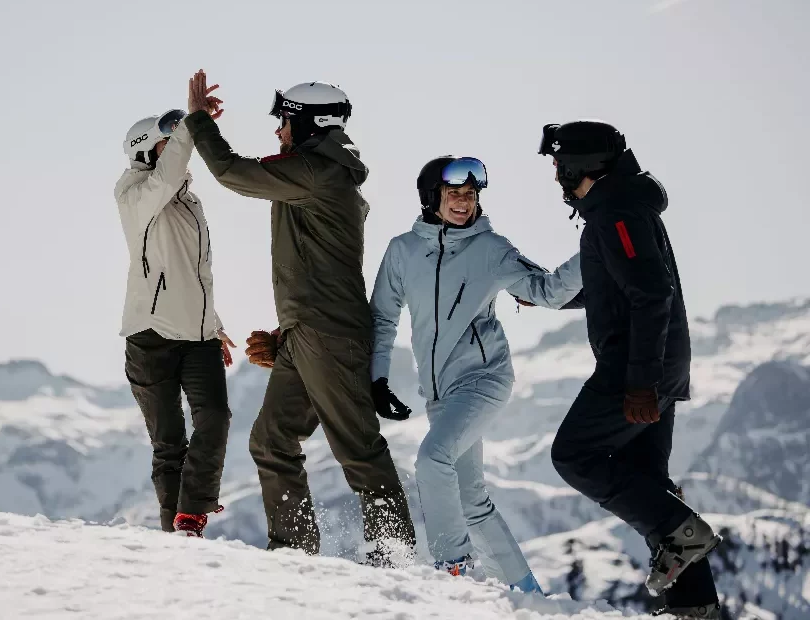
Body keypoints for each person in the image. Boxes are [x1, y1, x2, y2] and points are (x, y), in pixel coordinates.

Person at [182, 70, 416, 564]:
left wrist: (200, 121)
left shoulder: (316, 172)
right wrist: (287, 330)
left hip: (328, 333)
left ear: (310, 124)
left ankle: (393, 554)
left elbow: (229, 171)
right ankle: (293, 551)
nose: (278, 131)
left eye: (284, 121)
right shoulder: (316, 172)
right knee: (271, 440)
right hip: (309, 329)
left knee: (357, 446)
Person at [369, 155, 583, 591]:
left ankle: (453, 571)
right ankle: (527, 593)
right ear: (432, 198)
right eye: (454, 194)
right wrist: (377, 378)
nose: (464, 202)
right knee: (471, 499)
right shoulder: (402, 251)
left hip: (483, 379)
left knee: (432, 459)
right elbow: (382, 318)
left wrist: (597, 244)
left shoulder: (491, 249)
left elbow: (547, 291)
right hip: (440, 392)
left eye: (470, 195)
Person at [539, 121, 721, 618]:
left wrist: (639, 382)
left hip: (637, 366)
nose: (555, 174)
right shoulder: (618, 209)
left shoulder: (615, 213)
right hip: (656, 361)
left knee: (575, 455)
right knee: (646, 480)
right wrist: (547, 300)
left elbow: (650, 293)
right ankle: (696, 608)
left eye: (558, 164)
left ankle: (687, 537)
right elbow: (620, 284)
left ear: (581, 165)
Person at [115, 105, 236, 538]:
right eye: (168, 145)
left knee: (216, 417)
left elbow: (191, 271)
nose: (178, 155)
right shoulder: (133, 194)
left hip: (198, 334)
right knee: (169, 444)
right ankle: (178, 534)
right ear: (146, 150)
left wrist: (213, 321)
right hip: (150, 337)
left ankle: (191, 515)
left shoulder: (190, 200)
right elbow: (164, 178)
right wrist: (192, 123)